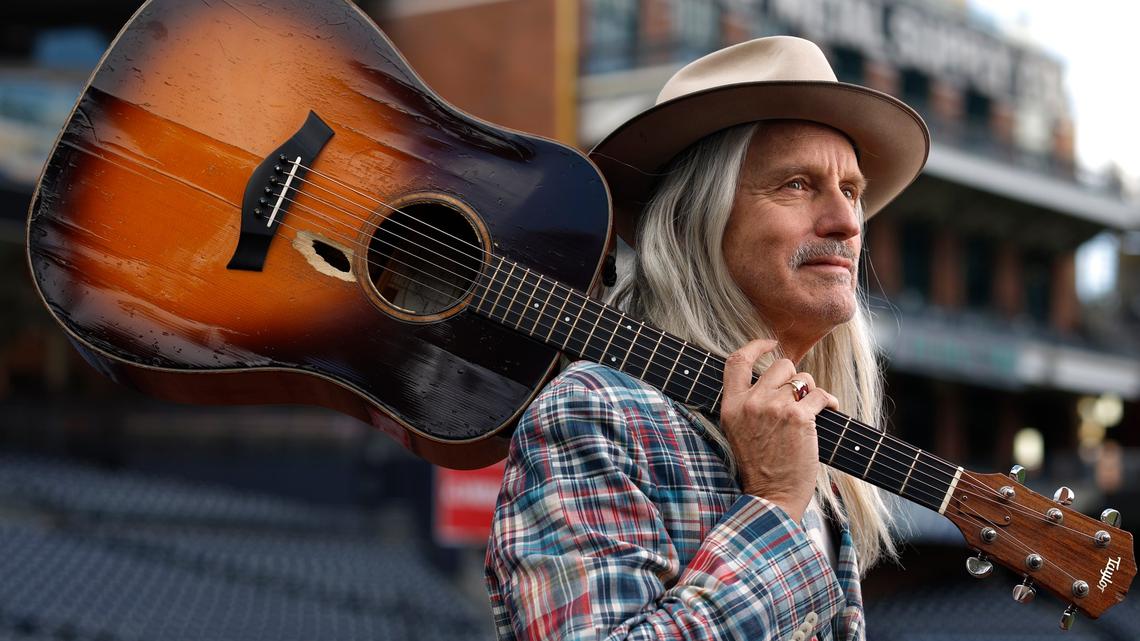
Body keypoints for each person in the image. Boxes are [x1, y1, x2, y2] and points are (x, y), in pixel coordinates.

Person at [484, 36, 929, 641]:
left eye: (851, 190)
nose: (848, 222)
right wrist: (771, 504)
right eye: (797, 184)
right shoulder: (594, 409)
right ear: (700, 217)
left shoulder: (804, 440)